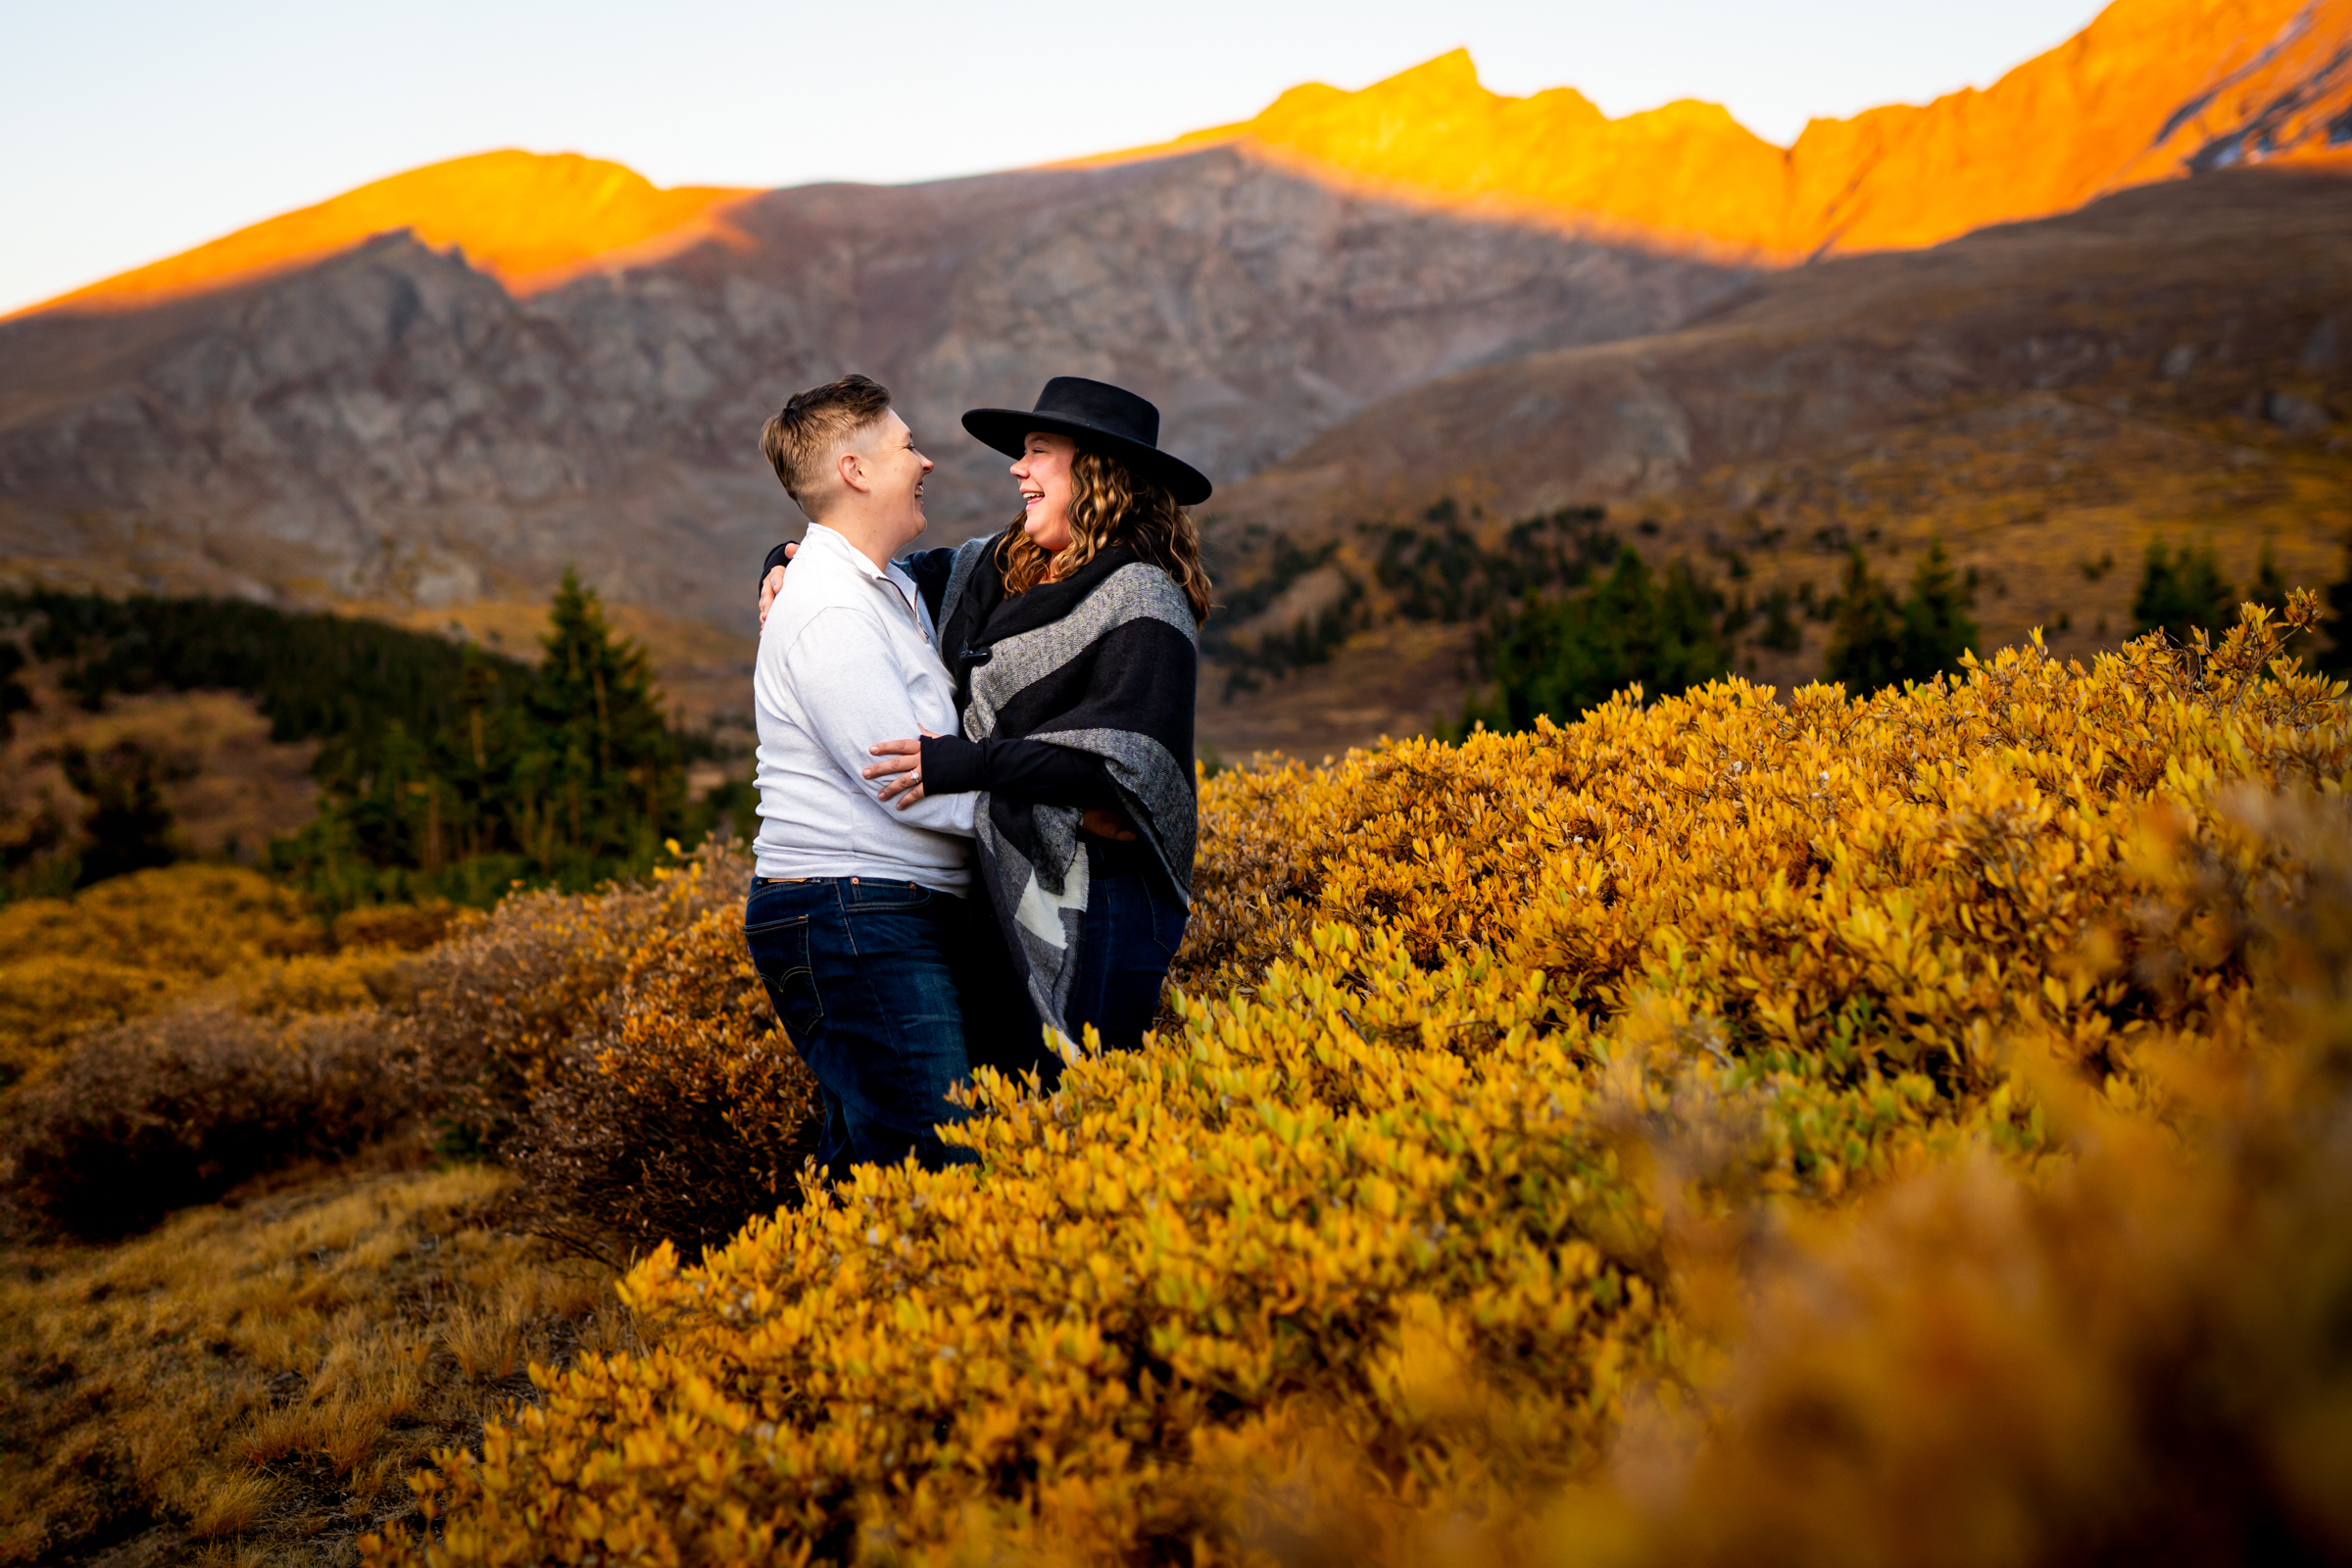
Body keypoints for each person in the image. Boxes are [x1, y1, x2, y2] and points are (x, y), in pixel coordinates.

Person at [760, 376, 1211, 1081]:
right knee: (1001, 1105)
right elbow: (877, 573)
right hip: (1006, 897)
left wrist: (963, 764)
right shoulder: (997, 568)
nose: (1017, 469)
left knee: (1079, 1095)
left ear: (1095, 471)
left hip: (1104, 906)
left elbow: (1118, 768)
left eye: (1036, 452)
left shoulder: (1145, 597)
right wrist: (789, 558)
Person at [743, 373, 980, 1178]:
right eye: (907, 445)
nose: (926, 462)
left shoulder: (889, 592)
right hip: (854, 915)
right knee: (936, 1162)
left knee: (870, 1169)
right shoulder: (832, 609)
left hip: (872, 914)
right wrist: (1043, 812)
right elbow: (906, 780)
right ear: (855, 469)